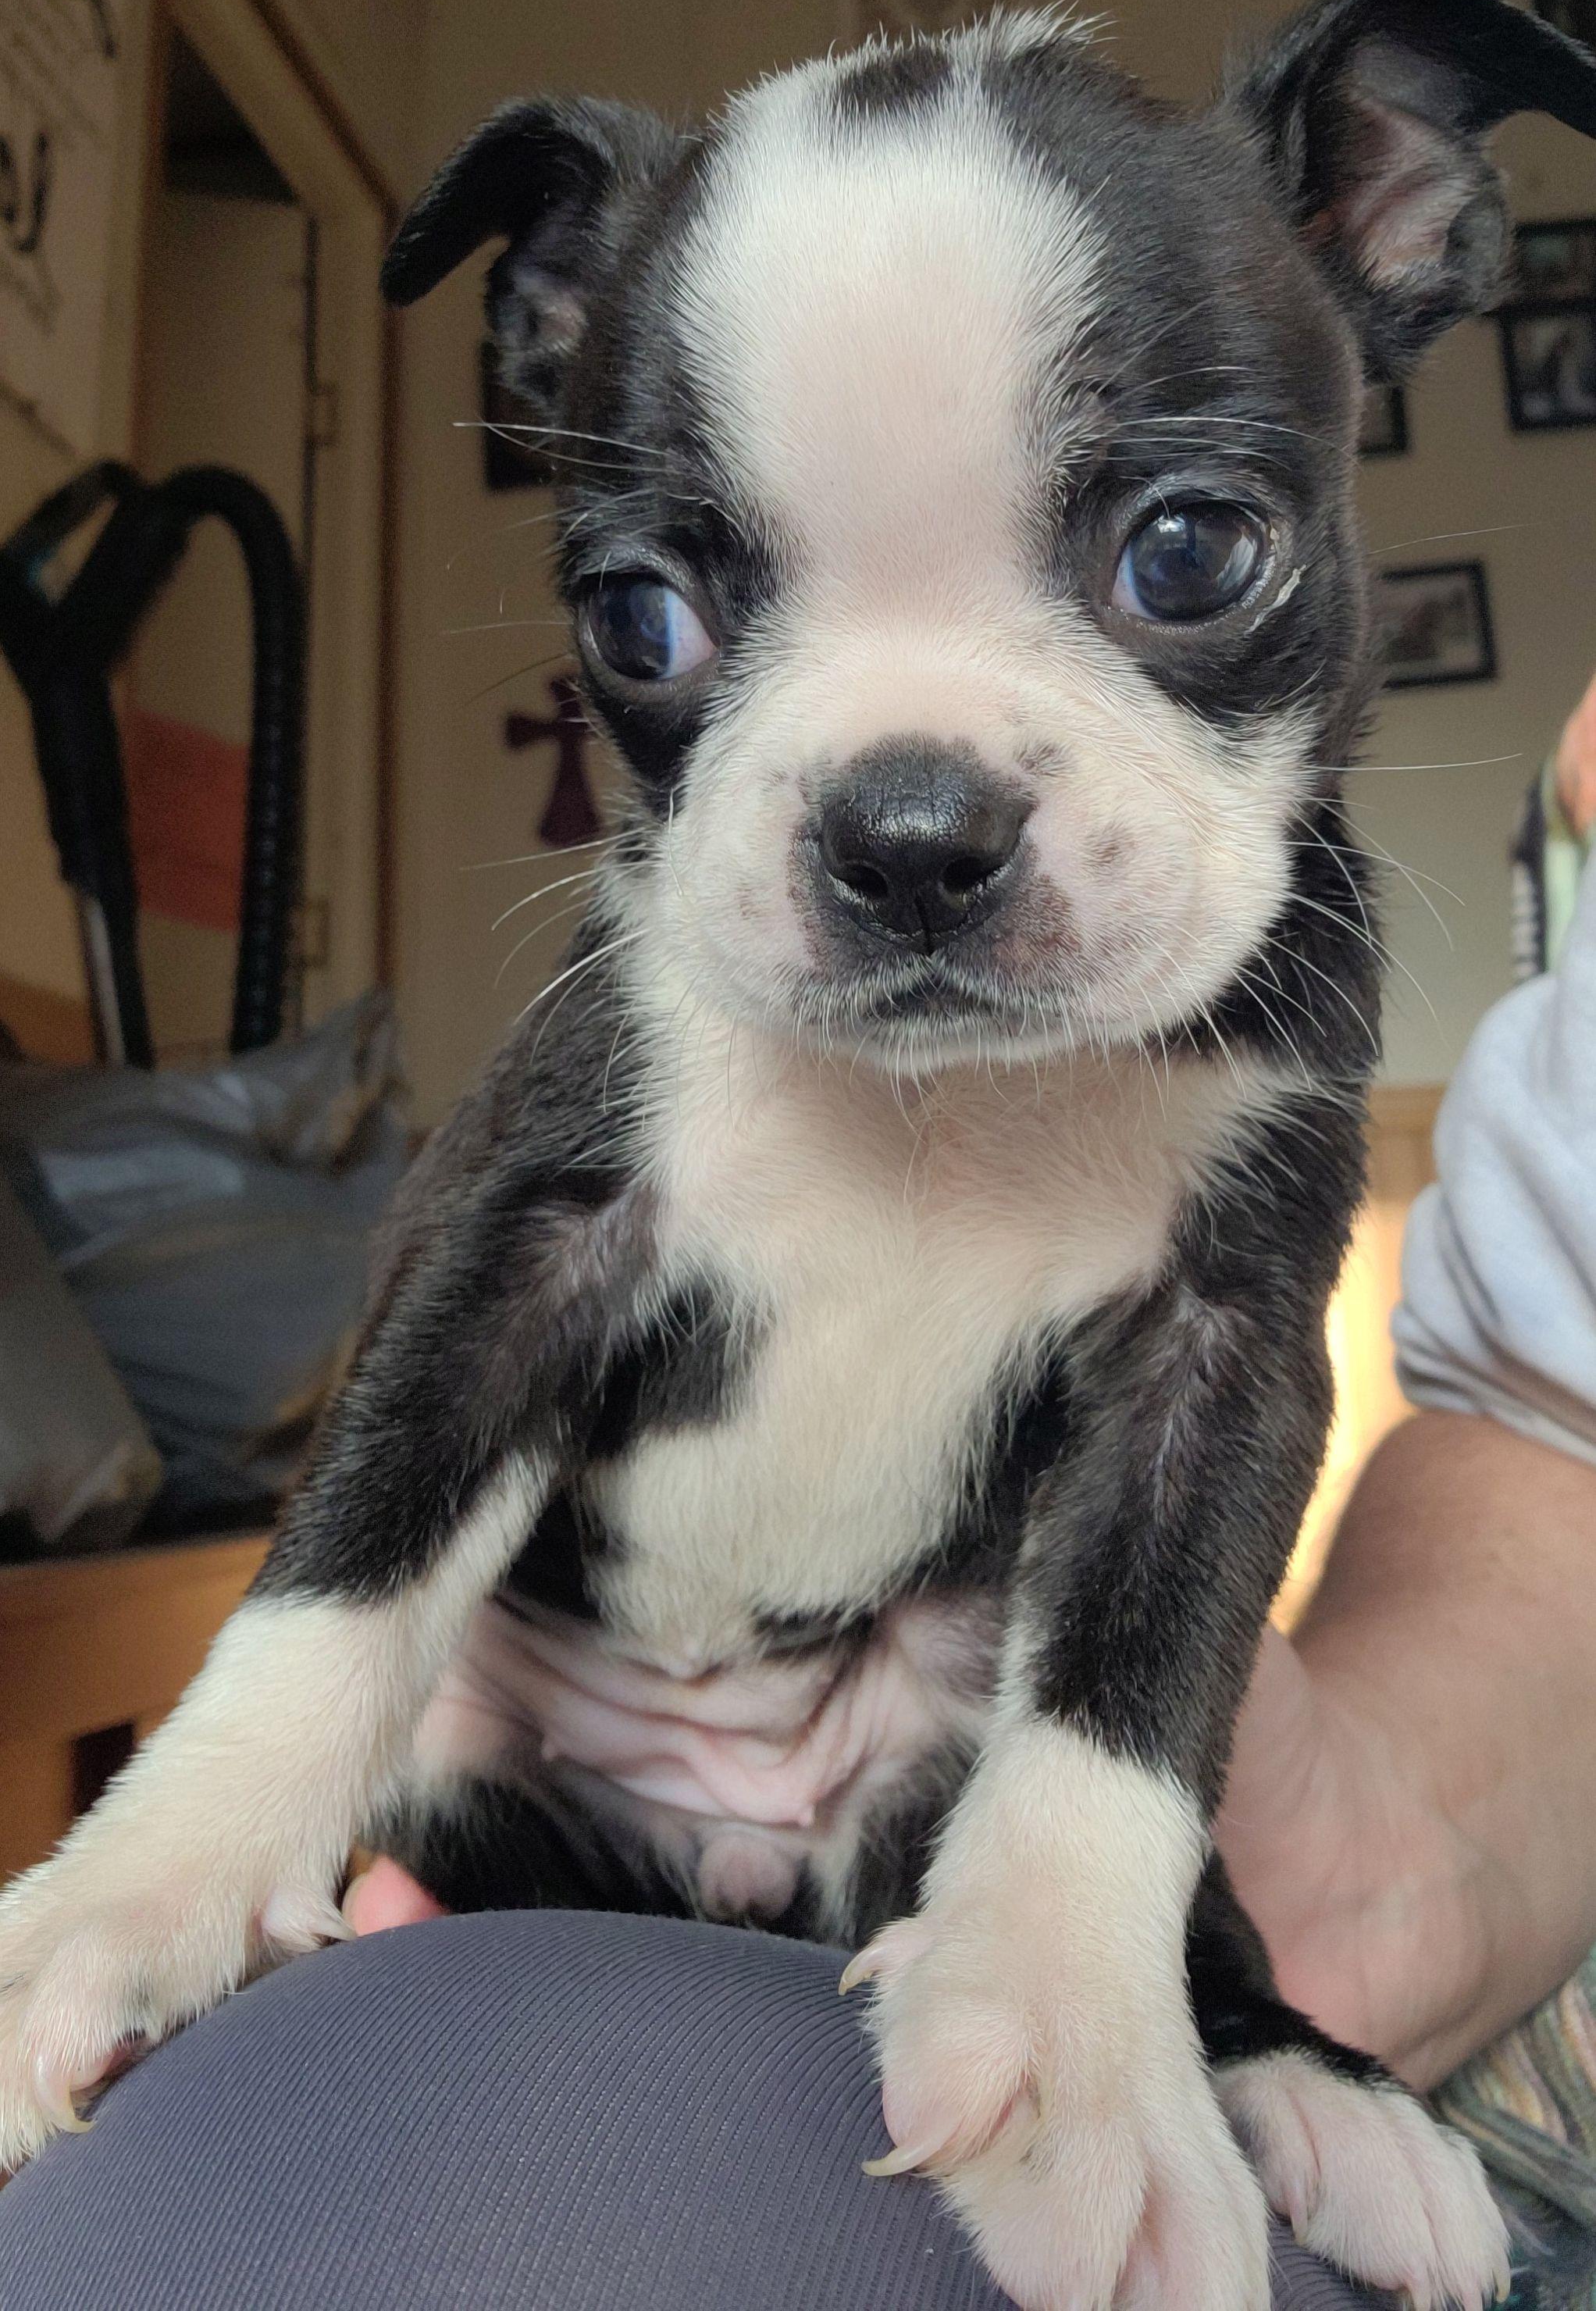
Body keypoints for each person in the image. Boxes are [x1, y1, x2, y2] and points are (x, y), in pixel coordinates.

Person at [2, 690, 1594, 2310]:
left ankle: (1230, 2011)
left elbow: (1214, 1383)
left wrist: (1210, 1954)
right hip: (530, 1708)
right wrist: (200, 1831)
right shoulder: (679, 953)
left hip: (897, 1713)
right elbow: (496, 1273)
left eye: (1175, 572)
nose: (906, 817)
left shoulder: (1268, 968)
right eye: (661, 621)